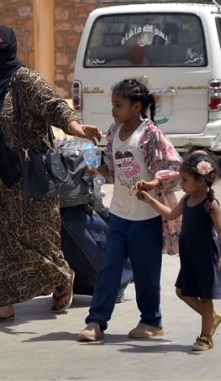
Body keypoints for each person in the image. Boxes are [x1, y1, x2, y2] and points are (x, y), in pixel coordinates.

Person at [0, 24, 103, 324]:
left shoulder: (24, 80)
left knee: (37, 240)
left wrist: (76, 127)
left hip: (26, 177)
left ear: (11, 48)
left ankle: (62, 277)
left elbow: (54, 106)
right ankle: (0, 303)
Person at [77, 78, 182, 342]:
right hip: (119, 215)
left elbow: (175, 169)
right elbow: (113, 171)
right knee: (109, 267)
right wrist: (98, 170)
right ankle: (96, 321)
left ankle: (151, 321)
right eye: (112, 104)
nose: (113, 110)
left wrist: (153, 183)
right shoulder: (114, 132)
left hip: (146, 217)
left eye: (118, 105)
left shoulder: (151, 134)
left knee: (146, 272)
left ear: (136, 107)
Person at [136, 151, 221, 351]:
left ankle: (205, 337)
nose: (181, 184)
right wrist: (149, 200)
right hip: (189, 254)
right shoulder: (187, 199)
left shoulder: (210, 204)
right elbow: (171, 214)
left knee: (205, 297)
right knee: (182, 292)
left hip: (205, 255)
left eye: (185, 180)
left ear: (200, 181)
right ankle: (210, 317)